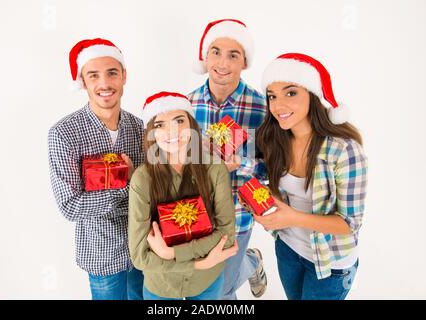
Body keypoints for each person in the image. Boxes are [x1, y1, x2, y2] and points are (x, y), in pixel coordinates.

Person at [254, 53, 368, 300]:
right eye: (272, 96)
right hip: (287, 248)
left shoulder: (344, 149)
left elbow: (350, 224)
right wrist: (264, 203)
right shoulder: (276, 140)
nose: (278, 105)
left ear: (313, 95)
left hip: (330, 263)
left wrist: (291, 217)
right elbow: (273, 187)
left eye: (291, 93)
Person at [48, 38, 144, 300]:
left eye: (112, 73)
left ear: (124, 77)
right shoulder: (63, 133)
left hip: (143, 251)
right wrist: (129, 184)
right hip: (102, 255)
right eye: (94, 75)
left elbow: (152, 192)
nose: (104, 84)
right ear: (83, 81)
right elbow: (70, 205)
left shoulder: (141, 128)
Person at [128, 91, 238, 300]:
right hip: (162, 286)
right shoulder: (142, 179)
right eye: (160, 124)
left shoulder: (215, 169)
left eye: (179, 120)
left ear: (192, 127)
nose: (172, 131)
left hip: (207, 282)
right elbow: (140, 257)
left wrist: (172, 253)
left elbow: (227, 235)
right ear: (150, 133)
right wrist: (199, 263)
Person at [187, 18, 268, 299]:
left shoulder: (263, 109)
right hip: (198, 217)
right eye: (216, 52)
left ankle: (251, 260)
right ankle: (252, 261)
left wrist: (241, 164)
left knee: (220, 291)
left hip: (238, 216)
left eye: (233, 55)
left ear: (244, 61)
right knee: (202, 287)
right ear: (205, 57)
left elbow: (274, 170)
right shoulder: (186, 106)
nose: (222, 62)